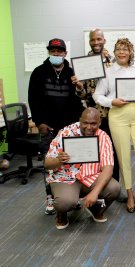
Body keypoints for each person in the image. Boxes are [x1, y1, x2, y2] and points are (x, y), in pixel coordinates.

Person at [93, 38, 135, 213]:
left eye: (125, 49)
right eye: (118, 49)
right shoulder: (109, 71)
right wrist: (112, 101)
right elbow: (97, 95)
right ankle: (130, 194)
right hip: (118, 115)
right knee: (124, 157)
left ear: (130, 52)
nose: (121, 52)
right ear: (115, 51)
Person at [28, 38, 83, 215]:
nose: (56, 54)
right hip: (49, 128)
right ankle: (50, 196)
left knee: (72, 163)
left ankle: (72, 196)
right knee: (50, 164)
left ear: (65, 53)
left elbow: (80, 99)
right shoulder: (38, 73)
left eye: (59, 51)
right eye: (53, 51)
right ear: (49, 53)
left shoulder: (73, 72)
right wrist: (39, 123)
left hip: (69, 128)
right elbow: (33, 100)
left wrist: (80, 88)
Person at [44, 108, 120, 230]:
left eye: (93, 123)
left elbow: (108, 168)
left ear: (99, 123)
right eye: (85, 123)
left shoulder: (103, 137)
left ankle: (95, 209)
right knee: (64, 202)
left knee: (114, 188)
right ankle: (61, 214)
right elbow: (47, 164)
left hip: (90, 176)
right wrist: (58, 160)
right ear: (80, 121)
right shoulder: (65, 133)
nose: (89, 127)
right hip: (66, 177)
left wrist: (94, 193)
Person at [72, 28, 120, 184]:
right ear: (89, 41)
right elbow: (83, 94)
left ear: (104, 40)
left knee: (112, 150)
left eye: (99, 39)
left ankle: (114, 183)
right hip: (92, 114)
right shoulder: (83, 63)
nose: (96, 42)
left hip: (111, 112)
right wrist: (79, 87)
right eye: (93, 40)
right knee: (93, 150)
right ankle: (91, 183)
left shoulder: (114, 60)